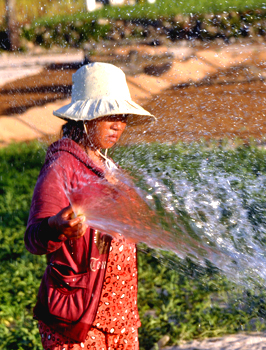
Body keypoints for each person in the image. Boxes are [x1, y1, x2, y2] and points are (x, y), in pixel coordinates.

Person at [24, 62, 155, 350]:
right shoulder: (63, 164)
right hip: (79, 319)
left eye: (122, 116)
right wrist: (56, 227)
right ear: (85, 117)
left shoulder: (109, 167)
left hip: (121, 315)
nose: (118, 124)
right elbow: (33, 237)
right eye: (109, 115)